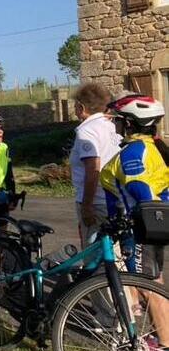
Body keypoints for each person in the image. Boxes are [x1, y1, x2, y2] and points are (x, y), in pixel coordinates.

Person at [101, 93, 169, 351]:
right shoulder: (153, 147)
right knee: (152, 282)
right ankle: (161, 339)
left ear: (130, 123)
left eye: (119, 121)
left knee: (147, 285)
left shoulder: (133, 154)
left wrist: (133, 221)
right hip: (147, 228)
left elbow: (144, 192)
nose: (115, 126)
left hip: (140, 228)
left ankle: (166, 349)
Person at [70, 83, 120, 248]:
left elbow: (92, 169)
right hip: (113, 198)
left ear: (82, 107)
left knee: (93, 253)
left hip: (96, 201)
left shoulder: (87, 130)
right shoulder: (110, 127)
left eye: (76, 105)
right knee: (113, 252)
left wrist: (86, 206)